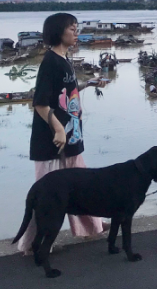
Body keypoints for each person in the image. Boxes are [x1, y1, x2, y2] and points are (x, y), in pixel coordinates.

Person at [17, 13, 105, 254]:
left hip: (72, 137)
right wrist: (58, 129)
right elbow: (41, 103)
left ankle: (93, 226)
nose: (76, 33)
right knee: (47, 194)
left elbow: (67, 92)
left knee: (82, 186)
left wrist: (92, 83)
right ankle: (33, 244)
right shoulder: (50, 63)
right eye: (72, 29)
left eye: (77, 29)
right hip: (53, 142)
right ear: (59, 32)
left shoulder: (65, 59)